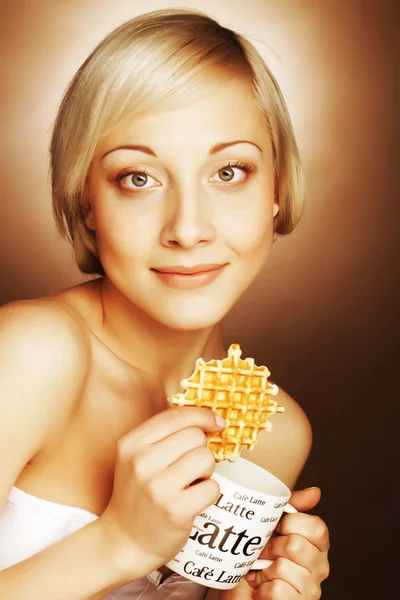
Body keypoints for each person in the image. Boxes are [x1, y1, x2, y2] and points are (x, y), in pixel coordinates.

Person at [0, 7, 330, 599]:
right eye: (138, 178)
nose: (187, 228)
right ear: (86, 205)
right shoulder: (28, 357)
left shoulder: (273, 433)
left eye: (229, 171)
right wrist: (119, 543)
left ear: (276, 191)